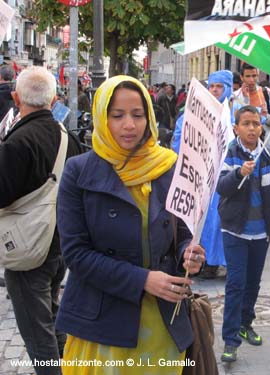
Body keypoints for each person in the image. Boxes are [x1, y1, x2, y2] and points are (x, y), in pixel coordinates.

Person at [55, 75, 205, 374]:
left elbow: (183, 233)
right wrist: (143, 280)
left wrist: (190, 253)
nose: (129, 125)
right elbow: (75, 253)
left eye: (138, 115)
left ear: (149, 116)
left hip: (162, 323)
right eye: (117, 115)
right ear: (102, 117)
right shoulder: (78, 171)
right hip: (100, 325)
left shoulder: (168, 165)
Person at [0, 66, 82, 375]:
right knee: (52, 317)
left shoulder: (18, 141)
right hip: (58, 242)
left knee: (37, 333)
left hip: (27, 248)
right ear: (54, 99)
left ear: (16, 97)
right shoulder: (67, 137)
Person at [217, 105, 270, 362]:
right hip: (234, 231)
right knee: (235, 283)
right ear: (236, 128)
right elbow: (222, 188)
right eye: (246, 123)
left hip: (261, 233)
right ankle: (230, 340)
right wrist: (239, 172)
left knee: (253, 283)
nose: (252, 128)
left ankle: (245, 323)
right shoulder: (230, 153)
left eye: (256, 123)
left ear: (262, 127)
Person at [172, 70, 234, 279]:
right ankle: (202, 261)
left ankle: (219, 261)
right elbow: (181, 137)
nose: (215, 90)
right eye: (212, 86)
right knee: (199, 221)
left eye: (219, 87)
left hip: (222, 179)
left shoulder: (233, 115)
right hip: (199, 177)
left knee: (218, 223)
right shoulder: (194, 110)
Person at [232, 63, 270, 148]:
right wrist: (245, 100)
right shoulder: (235, 97)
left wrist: (266, 116)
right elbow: (234, 123)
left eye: (254, 76)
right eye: (248, 76)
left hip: (266, 147)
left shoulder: (268, 93)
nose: (251, 80)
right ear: (242, 77)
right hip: (243, 148)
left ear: (258, 76)